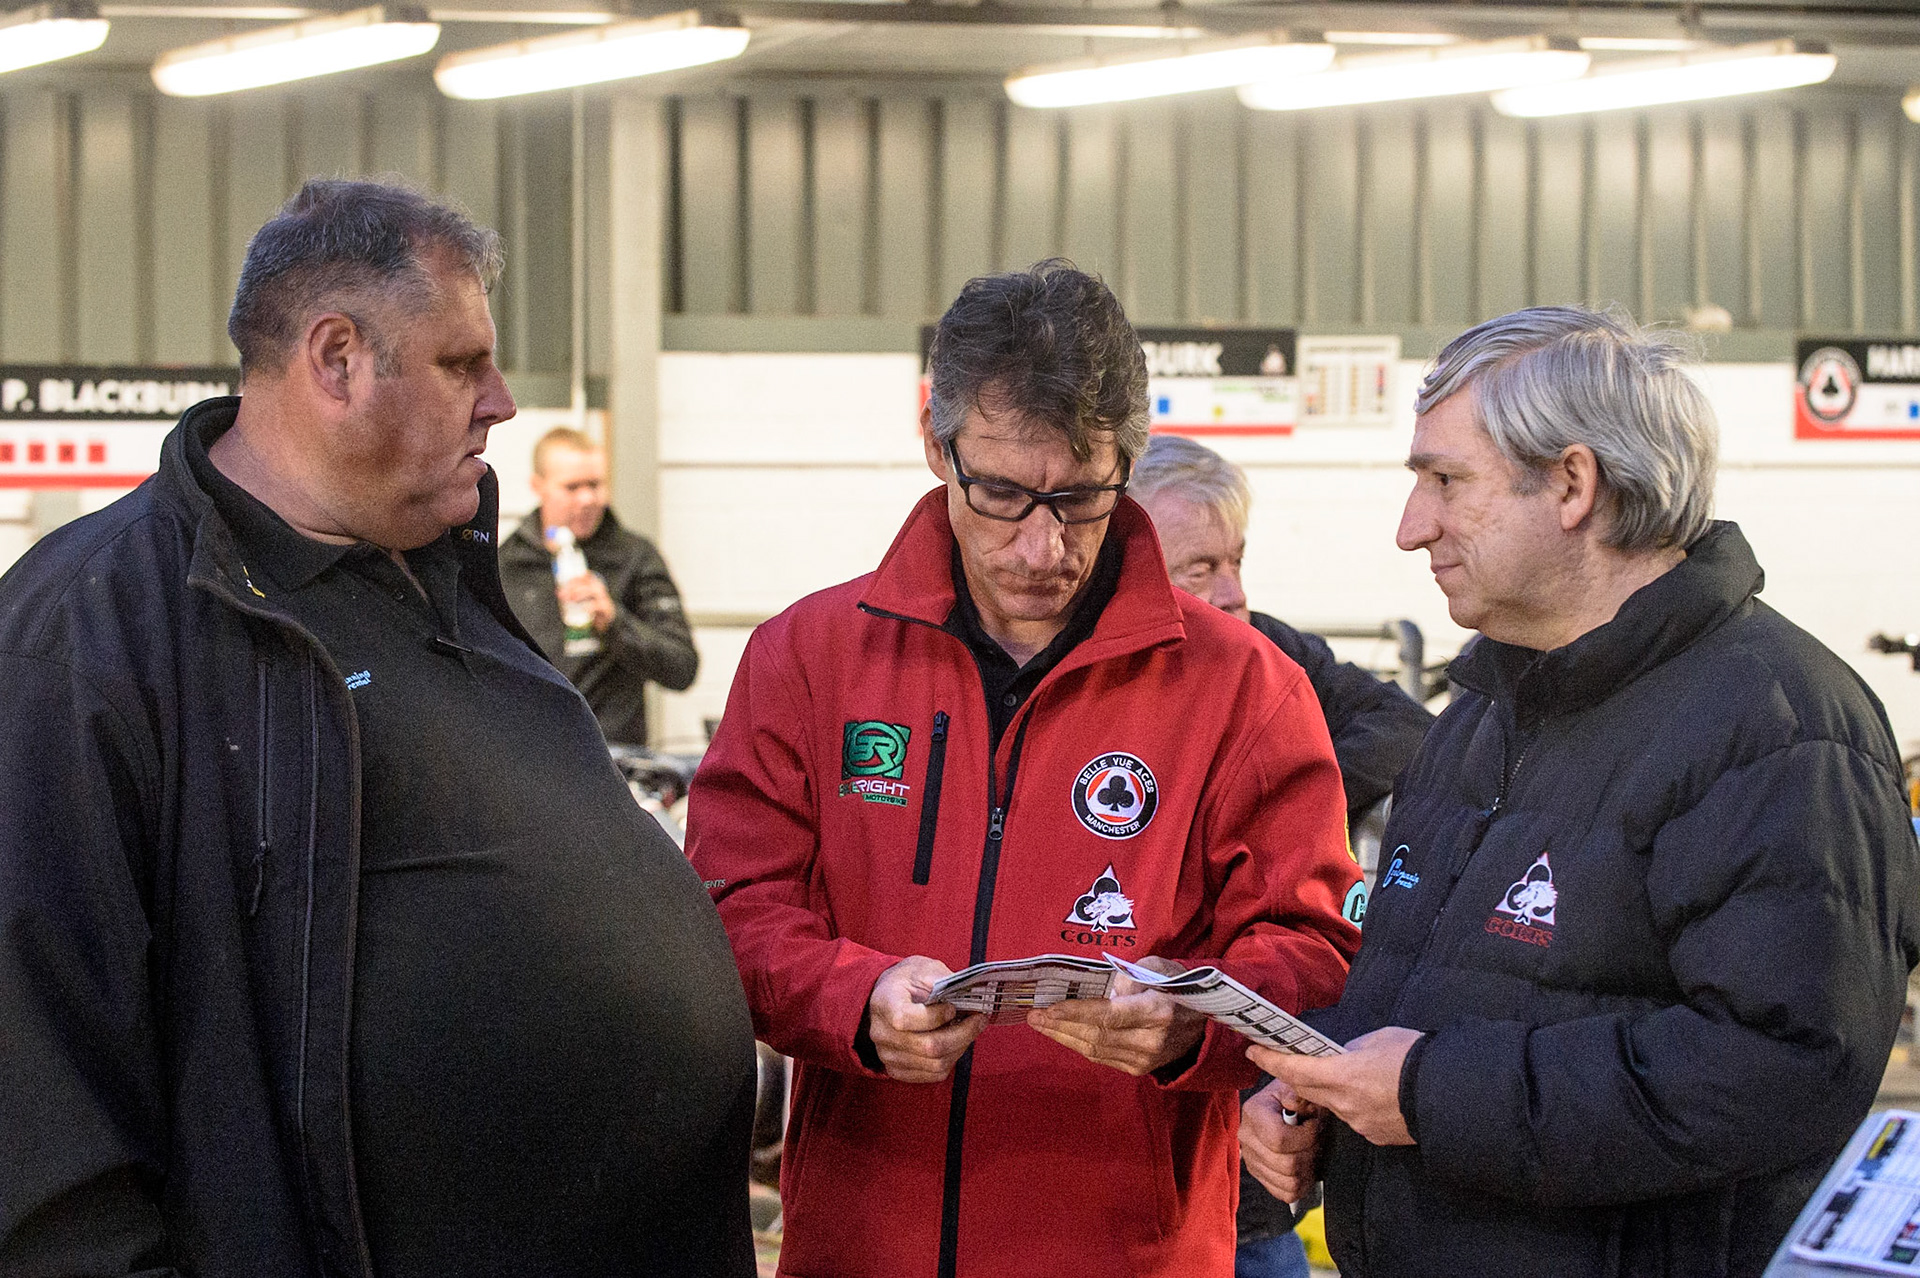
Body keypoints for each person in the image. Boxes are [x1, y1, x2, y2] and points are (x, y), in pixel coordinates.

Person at [0, 178, 756, 1277]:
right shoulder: (91, 633)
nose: (501, 401)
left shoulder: (445, 578)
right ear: (338, 359)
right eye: (462, 363)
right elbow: (38, 1096)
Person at [686, 260, 1363, 1278]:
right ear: (936, 443)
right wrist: (853, 1001)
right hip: (862, 1245)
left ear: (1128, 462)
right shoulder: (809, 659)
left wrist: (1189, 1024)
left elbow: (1311, 947)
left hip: (1128, 1253)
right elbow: (728, 912)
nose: (1042, 548)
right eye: (1001, 493)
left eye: (1081, 499)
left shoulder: (1245, 690)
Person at [1240, 305, 1920, 1278]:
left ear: (1571, 484)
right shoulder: (1481, 714)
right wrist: (1323, 1096)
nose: (1410, 528)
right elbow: (1431, 992)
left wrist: (1431, 1096)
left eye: (1445, 481)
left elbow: (1784, 1066)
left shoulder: (1779, 728)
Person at [1132, 435, 1433, 1277]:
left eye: (1236, 560)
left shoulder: (1268, 651)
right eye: (1201, 568)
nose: (1233, 590)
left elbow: (1406, 728)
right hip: (1119, 1161)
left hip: (1253, 1175)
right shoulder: (1094, 685)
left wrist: (1277, 783)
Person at [500, 426, 697, 746]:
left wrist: (615, 623)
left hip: (613, 755)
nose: (588, 499)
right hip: (530, 753)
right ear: (539, 486)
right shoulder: (508, 564)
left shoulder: (634, 557)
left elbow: (682, 667)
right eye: (572, 487)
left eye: (594, 485)